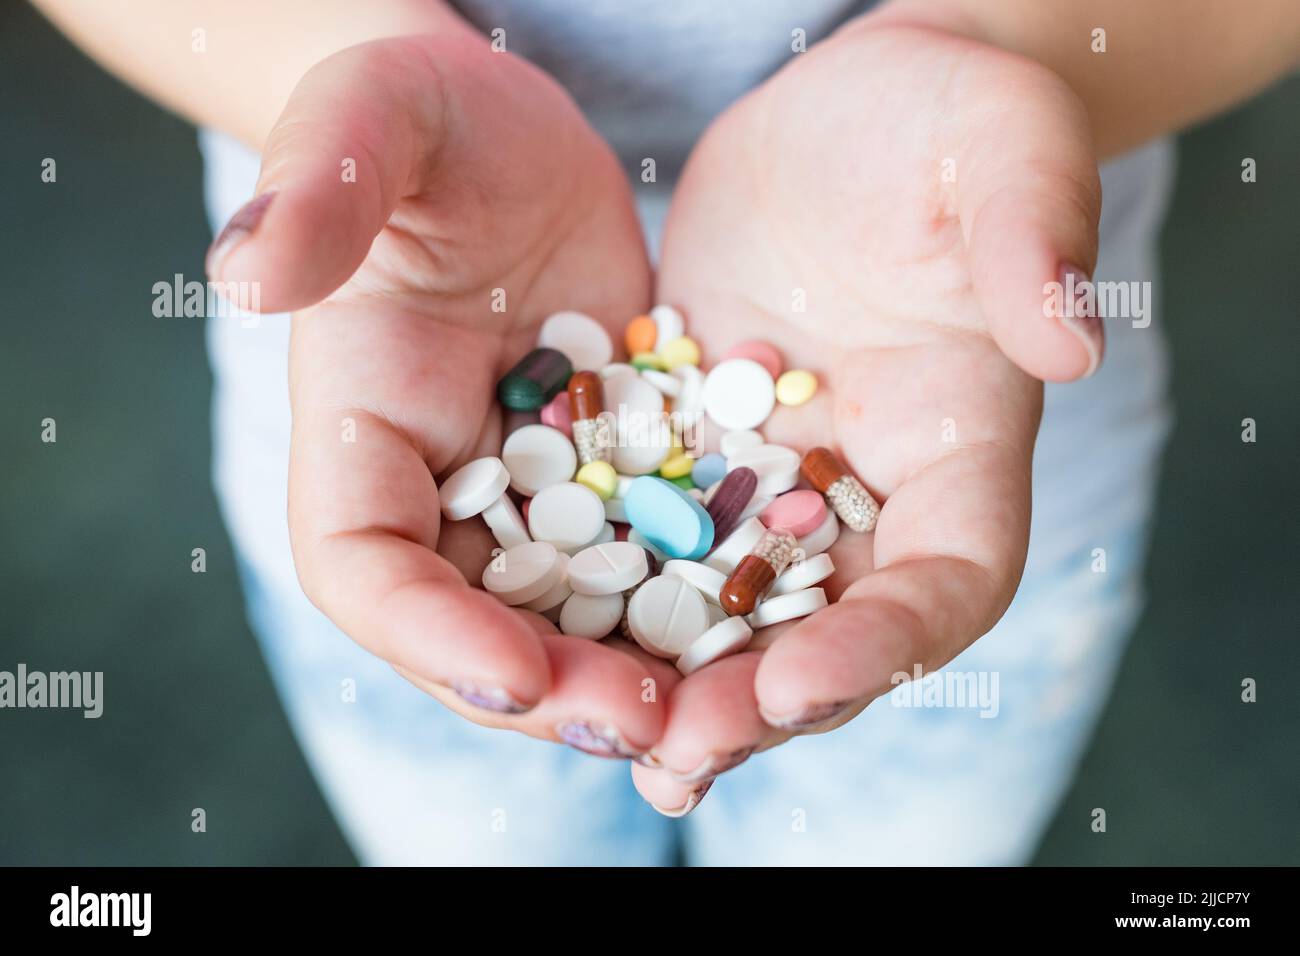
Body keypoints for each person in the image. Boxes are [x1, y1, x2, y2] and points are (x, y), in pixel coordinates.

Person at [34, 0, 1300, 864]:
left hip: (953, 442)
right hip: (389, 417)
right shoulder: (534, 469)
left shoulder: (751, 500)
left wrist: (1005, 52)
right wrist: (343, 67)